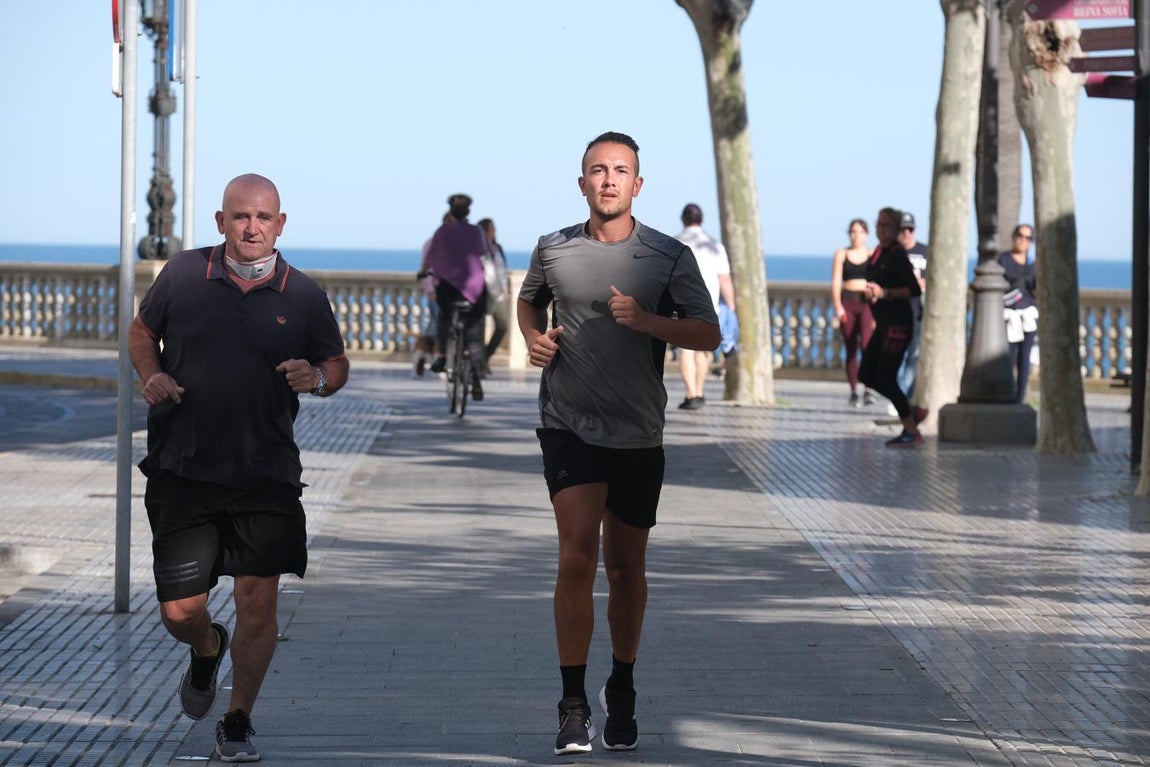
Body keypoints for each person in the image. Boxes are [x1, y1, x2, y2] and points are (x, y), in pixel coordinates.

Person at [128, 173, 349, 763]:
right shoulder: (181, 275)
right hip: (184, 469)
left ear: (280, 224)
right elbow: (142, 330)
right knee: (181, 611)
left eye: (264, 217)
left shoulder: (302, 294)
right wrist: (149, 373)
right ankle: (206, 649)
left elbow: (335, 360)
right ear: (221, 221)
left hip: (266, 475)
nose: (252, 228)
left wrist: (320, 380)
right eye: (240, 216)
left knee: (259, 603)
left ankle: (238, 719)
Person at [517, 131, 719, 755]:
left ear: (638, 184)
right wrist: (534, 338)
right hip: (568, 423)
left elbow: (708, 333)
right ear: (582, 183)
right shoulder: (553, 249)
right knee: (576, 556)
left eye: (621, 170)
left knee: (627, 569)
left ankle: (622, 685)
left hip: (638, 432)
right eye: (597, 170)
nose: (608, 180)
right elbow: (527, 305)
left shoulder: (666, 255)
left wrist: (647, 321)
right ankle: (572, 702)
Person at [858, 207, 927, 447]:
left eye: (886, 225)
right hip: (884, 323)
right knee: (866, 374)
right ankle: (911, 411)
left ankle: (911, 430)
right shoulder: (878, 252)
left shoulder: (897, 255)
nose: (881, 229)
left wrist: (885, 292)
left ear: (896, 230)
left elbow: (915, 290)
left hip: (899, 324)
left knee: (886, 377)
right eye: (878, 224)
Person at [424, 194, 488, 401]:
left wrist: (423, 272)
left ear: (451, 211)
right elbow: (482, 254)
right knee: (473, 331)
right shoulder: (476, 231)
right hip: (473, 288)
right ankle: (476, 377)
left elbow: (431, 257)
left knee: (445, 316)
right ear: (468, 212)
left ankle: (442, 356)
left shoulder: (443, 231)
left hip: (449, 288)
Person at [674, 203, 735, 410]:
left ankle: (690, 393)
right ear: (701, 220)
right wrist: (732, 307)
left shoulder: (675, 243)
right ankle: (699, 391)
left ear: (683, 220)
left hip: (682, 304)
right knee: (703, 350)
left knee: (685, 350)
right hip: (709, 305)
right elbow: (725, 280)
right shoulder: (715, 246)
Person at [831, 218, 877, 407]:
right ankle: (853, 390)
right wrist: (837, 306)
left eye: (860, 232)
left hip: (866, 304)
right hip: (848, 301)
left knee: (867, 346)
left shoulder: (872, 254)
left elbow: (877, 281)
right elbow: (835, 281)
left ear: (866, 234)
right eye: (853, 232)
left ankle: (868, 387)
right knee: (850, 347)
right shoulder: (842, 254)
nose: (856, 236)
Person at [998, 223, 1038, 403]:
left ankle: (1020, 398)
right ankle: (1006, 395)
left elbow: (1036, 289)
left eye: (1028, 238)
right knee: (1007, 359)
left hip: (1027, 317)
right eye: (1020, 236)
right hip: (1008, 317)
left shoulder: (1033, 264)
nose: (1023, 240)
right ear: (1014, 237)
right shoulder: (1003, 260)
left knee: (1024, 360)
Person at [895, 211, 929, 407]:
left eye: (910, 229)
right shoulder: (893, 253)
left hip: (919, 313)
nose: (906, 233)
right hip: (898, 312)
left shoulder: (926, 251)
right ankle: (899, 395)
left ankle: (903, 398)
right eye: (902, 229)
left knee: (914, 356)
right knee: (897, 357)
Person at [478, 217, 509, 372]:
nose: (493, 232)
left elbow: (502, 271)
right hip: (480, 293)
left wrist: (505, 291)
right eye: (491, 229)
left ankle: (484, 357)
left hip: (497, 294)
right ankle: (479, 362)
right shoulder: (477, 249)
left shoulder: (498, 248)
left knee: (503, 326)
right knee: (479, 328)